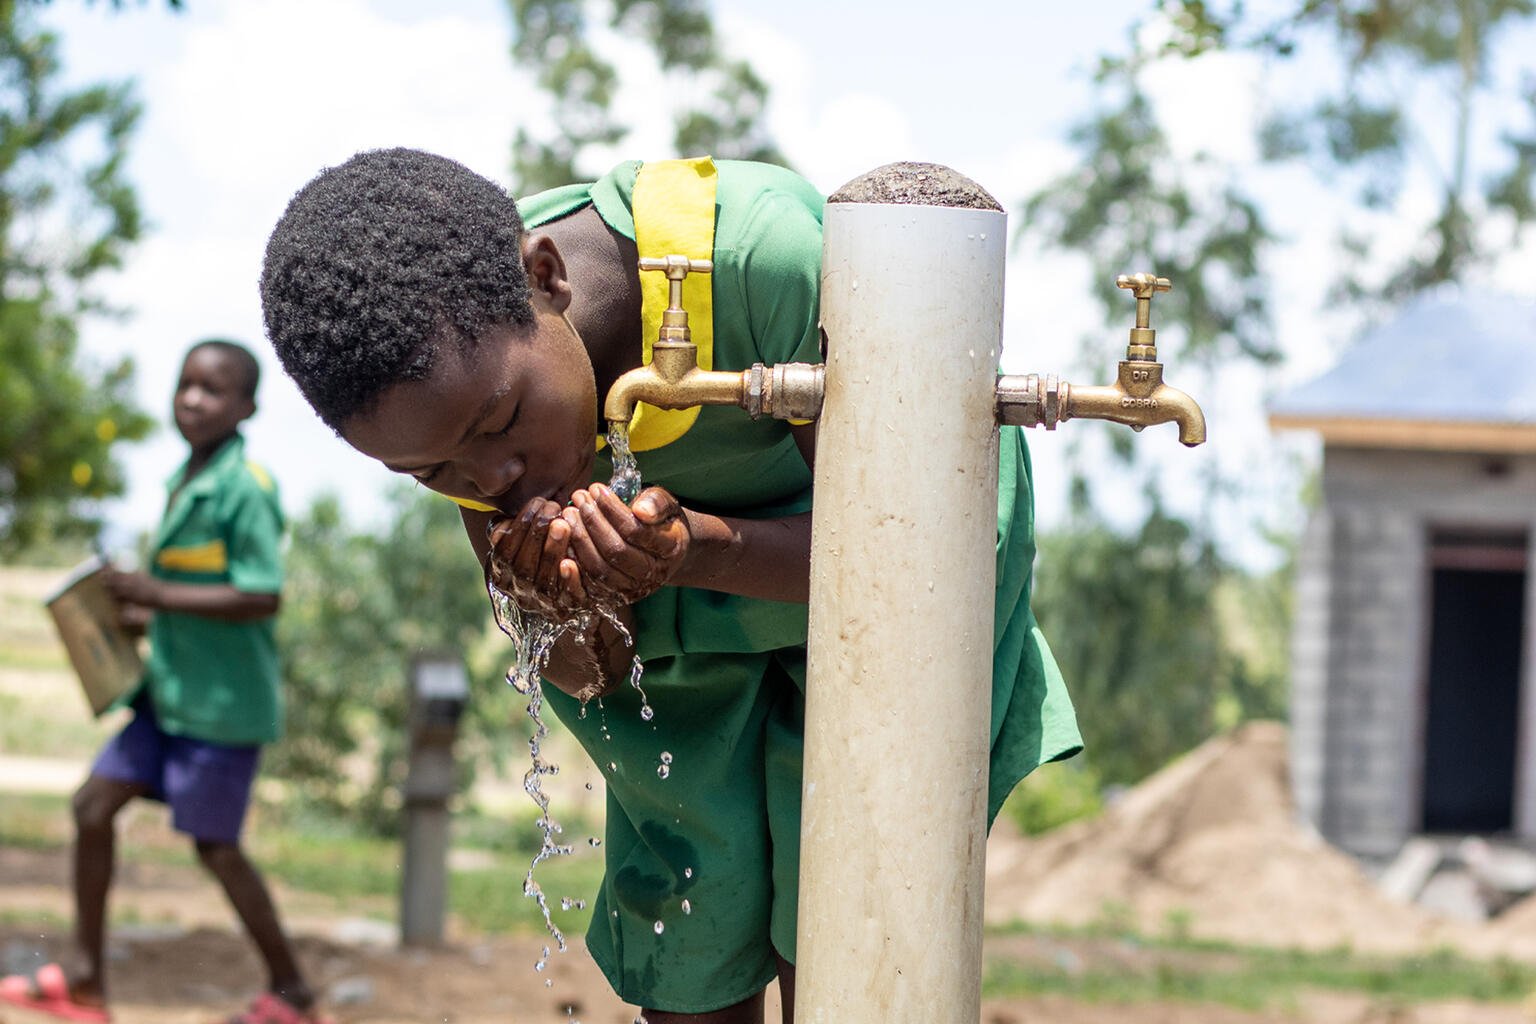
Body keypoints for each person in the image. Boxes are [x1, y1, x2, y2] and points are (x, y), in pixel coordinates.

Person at [258, 149, 1081, 1024]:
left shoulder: (759, 261)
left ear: (547, 278)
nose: (497, 478)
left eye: (501, 423)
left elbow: (913, 566)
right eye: (431, 473)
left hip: (891, 566)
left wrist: (695, 548)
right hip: (688, 612)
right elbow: (590, 675)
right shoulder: (463, 418)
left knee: (852, 904)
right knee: (691, 911)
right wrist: (564, 603)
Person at [0, 340, 327, 1024]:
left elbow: (261, 595)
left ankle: (293, 991)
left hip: (221, 707)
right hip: (165, 695)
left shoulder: (246, 488)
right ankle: (85, 981)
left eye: (212, 390)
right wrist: (135, 612)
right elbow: (195, 594)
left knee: (216, 848)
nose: (192, 399)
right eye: (185, 385)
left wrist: (156, 590)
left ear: (246, 407)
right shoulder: (183, 478)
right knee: (93, 807)